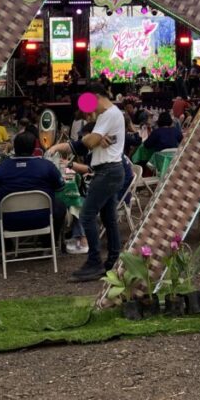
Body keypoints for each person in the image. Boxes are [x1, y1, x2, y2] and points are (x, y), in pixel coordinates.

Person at [64, 84, 126, 281]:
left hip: (107, 171)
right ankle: (113, 259)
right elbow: (89, 141)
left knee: (86, 215)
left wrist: (93, 138)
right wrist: (95, 137)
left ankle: (94, 262)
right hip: (111, 170)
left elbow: (88, 143)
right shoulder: (109, 115)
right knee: (109, 219)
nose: (88, 110)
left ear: (97, 97)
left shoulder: (108, 115)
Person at [0, 130, 66, 248]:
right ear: (34, 147)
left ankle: (4, 247)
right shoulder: (46, 166)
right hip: (42, 218)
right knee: (60, 205)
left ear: (14, 147)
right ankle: (48, 242)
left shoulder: (1, 167)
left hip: (9, 221)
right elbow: (60, 187)